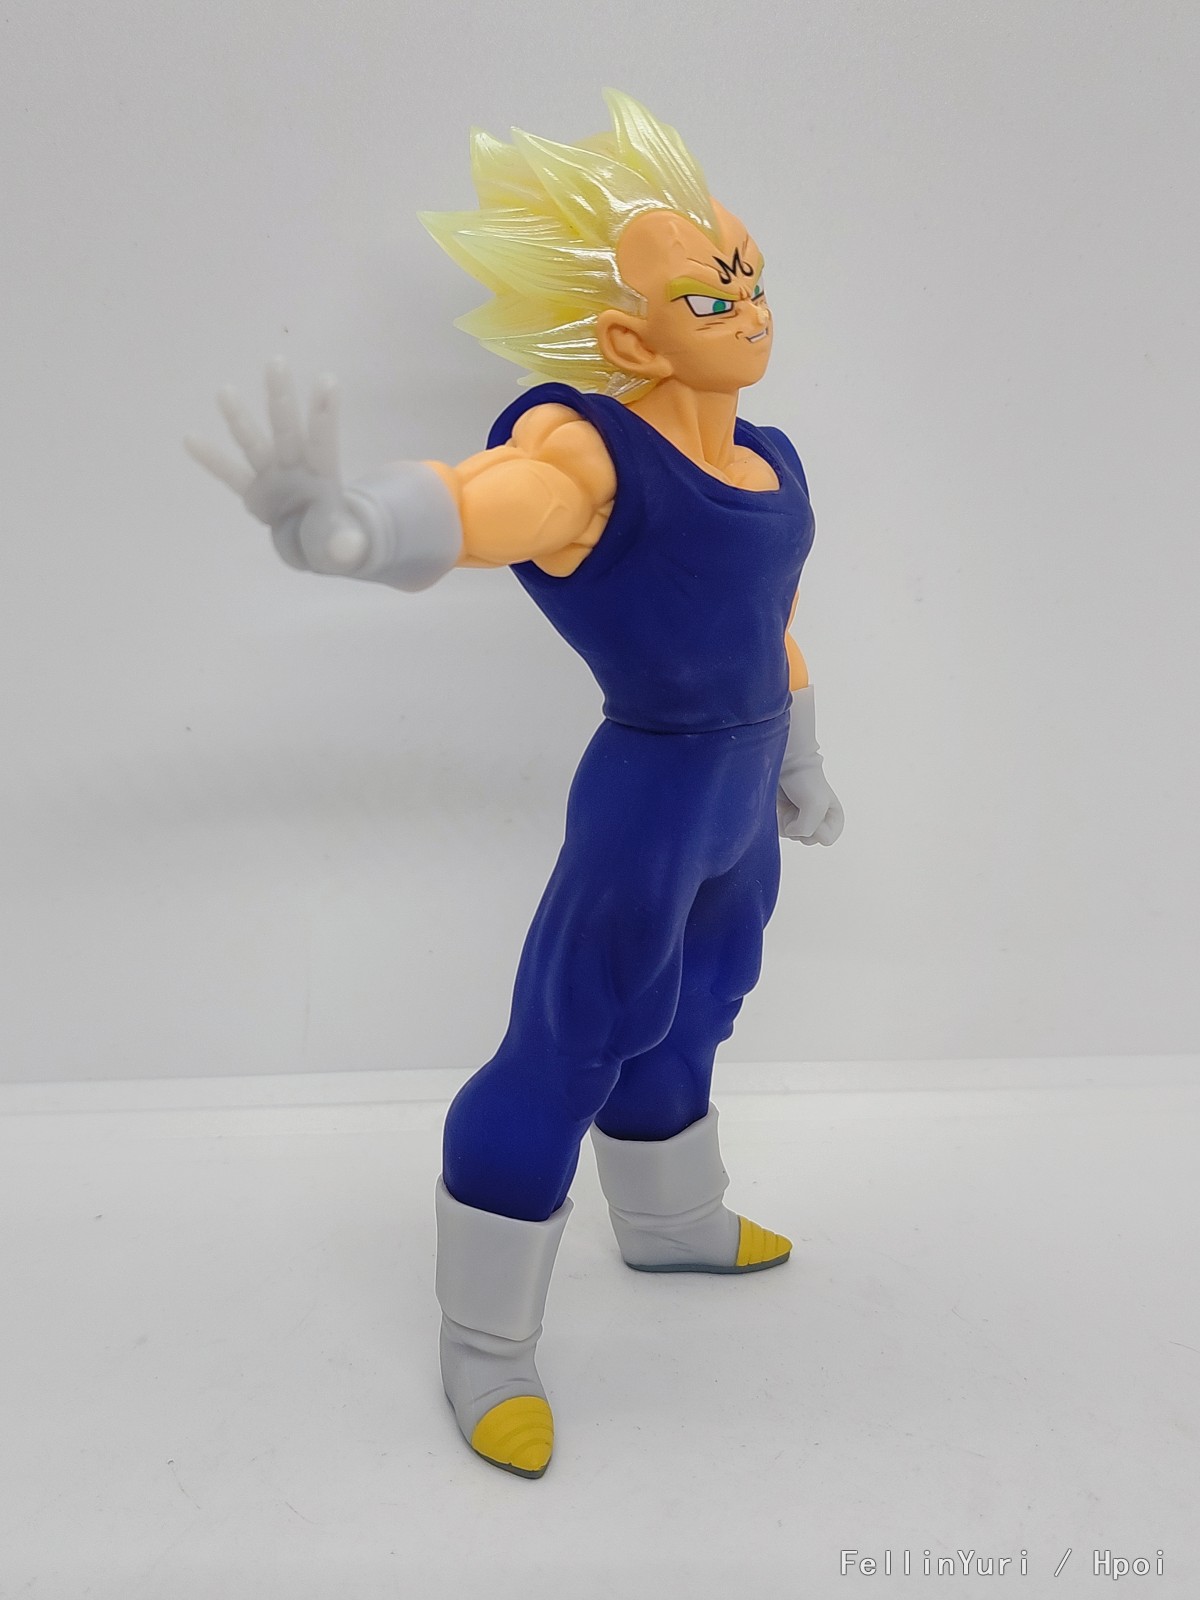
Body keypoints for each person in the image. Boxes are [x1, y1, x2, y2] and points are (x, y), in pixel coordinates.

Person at [187, 89, 843, 1480]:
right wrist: (358, 526)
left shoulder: (772, 462)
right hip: (649, 792)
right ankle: (486, 1339)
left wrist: (799, 754)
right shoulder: (593, 454)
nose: (748, 308)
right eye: (710, 294)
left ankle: (668, 1218)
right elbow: (500, 502)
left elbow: (771, 624)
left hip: (740, 797)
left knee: (708, 996)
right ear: (629, 339)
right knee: (574, 1033)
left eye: (751, 278)